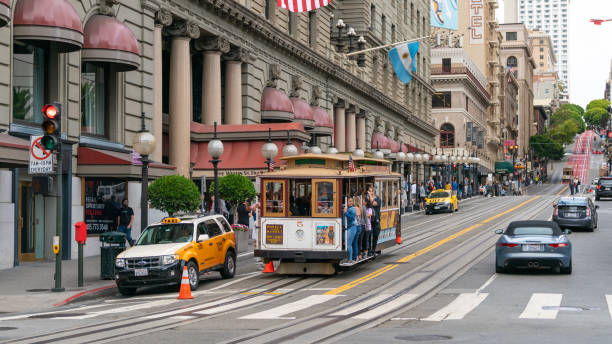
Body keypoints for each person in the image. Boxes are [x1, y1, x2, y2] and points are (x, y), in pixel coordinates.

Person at [366, 186, 381, 257]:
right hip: (369, 221)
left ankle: (373, 250)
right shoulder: (367, 199)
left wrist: (369, 196)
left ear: (374, 192)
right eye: (369, 191)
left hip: (376, 221)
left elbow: (374, 203)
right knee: (368, 237)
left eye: (371, 191)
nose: (370, 192)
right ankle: (369, 250)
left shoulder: (378, 199)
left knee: (375, 236)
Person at [343, 197, 357, 263]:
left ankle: (350, 259)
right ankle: (347, 258)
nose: (351, 202)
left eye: (351, 201)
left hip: (352, 227)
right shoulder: (346, 208)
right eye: (349, 201)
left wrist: (345, 212)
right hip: (346, 228)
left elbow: (351, 218)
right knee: (346, 243)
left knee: (348, 244)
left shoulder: (353, 209)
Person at [352, 196, 363, 261]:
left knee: (354, 242)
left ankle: (354, 256)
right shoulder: (360, 208)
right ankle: (356, 256)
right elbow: (360, 218)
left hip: (355, 226)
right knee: (356, 241)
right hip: (359, 226)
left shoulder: (354, 208)